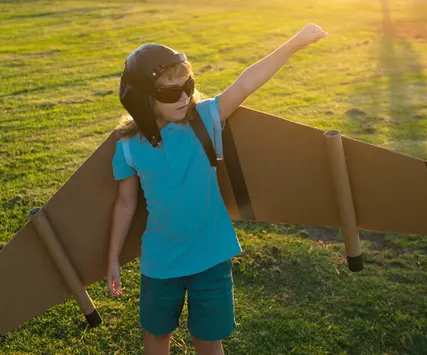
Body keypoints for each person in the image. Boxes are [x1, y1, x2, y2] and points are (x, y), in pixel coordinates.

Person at [107, 23, 327, 355]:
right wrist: (112, 258)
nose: (183, 97)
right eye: (169, 93)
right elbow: (125, 204)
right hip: (161, 262)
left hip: (211, 256)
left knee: (208, 339)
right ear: (141, 99)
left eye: (188, 86)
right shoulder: (128, 147)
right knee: (157, 336)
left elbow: (246, 83)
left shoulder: (204, 119)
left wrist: (295, 43)